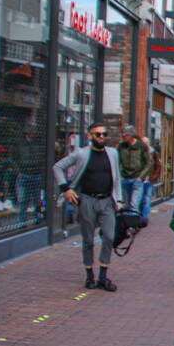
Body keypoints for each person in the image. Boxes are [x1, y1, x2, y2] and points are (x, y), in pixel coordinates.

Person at [52, 122, 122, 292]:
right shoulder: (81, 154)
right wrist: (66, 189)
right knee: (88, 239)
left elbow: (117, 178)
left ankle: (103, 276)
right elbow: (57, 167)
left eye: (104, 134)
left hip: (107, 201)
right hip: (87, 200)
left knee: (109, 236)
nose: (102, 137)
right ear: (90, 136)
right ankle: (89, 275)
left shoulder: (113, 153)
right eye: (98, 134)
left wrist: (119, 199)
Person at [117, 125, 151, 212]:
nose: (123, 136)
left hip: (137, 179)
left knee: (134, 205)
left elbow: (149, 163)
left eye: (126, 134)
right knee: (125, 205)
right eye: (122, 134)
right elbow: (117, 161)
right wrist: (119, 175)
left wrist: (141, 177)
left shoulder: (141, 146)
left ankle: (133, 220)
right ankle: (127, 220)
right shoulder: (121, 146)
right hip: (124, 178)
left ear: (132, 135)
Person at [141, 136, 161, 220]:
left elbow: (158, 166)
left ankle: (144, 218)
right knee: (140, 199)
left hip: (149, 180)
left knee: (147, 199)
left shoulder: (153, 153)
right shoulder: (138, 152)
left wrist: (153, 177)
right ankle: (139, 216)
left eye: (146, 143)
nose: (145, 144)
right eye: (143, 143)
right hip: (140, 180)